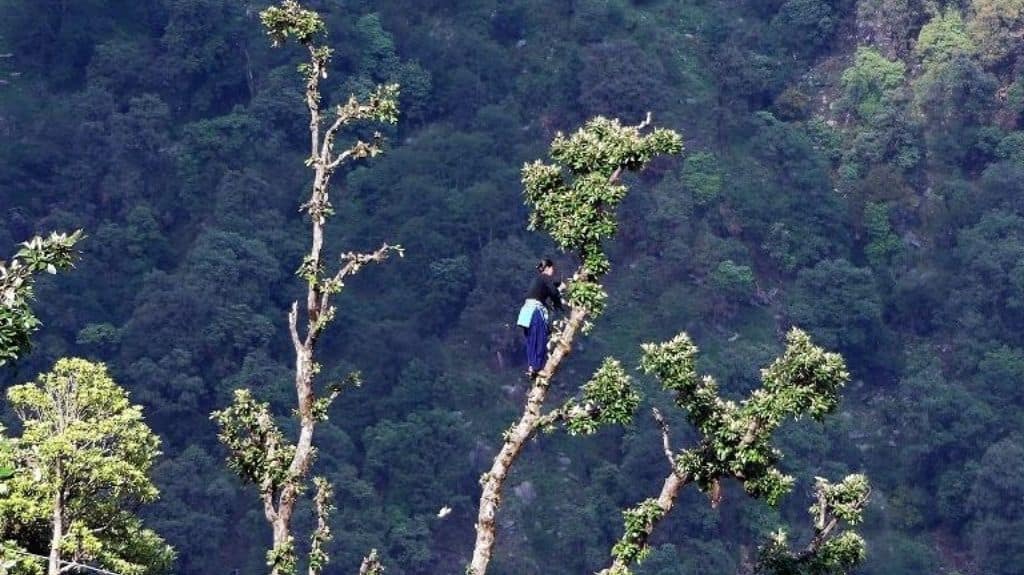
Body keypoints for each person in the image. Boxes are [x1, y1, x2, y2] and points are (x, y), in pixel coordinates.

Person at [516, 258, 563, 378]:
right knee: (540, 338)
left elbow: (549, 289)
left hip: (527, 310)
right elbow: (553, 292)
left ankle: (532, 366)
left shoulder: (538, 280)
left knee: (531, 340)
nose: (553, 272)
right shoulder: (545, 277)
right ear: (548, 268)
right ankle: (537, 368)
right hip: (535, 311)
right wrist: (559, 305)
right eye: (552, 269)